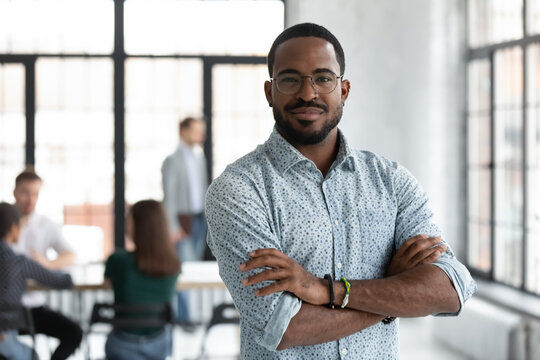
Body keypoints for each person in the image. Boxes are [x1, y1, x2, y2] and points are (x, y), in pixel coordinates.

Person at [205, 23, 477, 359]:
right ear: (269, 92)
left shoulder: (390, 181)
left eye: (323, 78)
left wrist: (325, 290)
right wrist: (391, 296)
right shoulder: (239, 189)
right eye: (290, 79)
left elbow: (451, 289)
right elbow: (282, 327)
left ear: (344, 90)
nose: (308, 93)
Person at [10, 170, 82, 359]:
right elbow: (64, 281)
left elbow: (71, 255)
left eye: (35, 194)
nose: (30, 199)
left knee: (73, 332)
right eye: (25, 192)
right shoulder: (5, 223)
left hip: (33, 307)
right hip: (7, 309)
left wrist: (46, 264)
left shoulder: (45, 225)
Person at [104, 200, 180, 360]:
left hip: (123, 344)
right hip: (159, 344)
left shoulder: (118, 260)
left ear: (138, 225)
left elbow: (107, 284)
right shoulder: (173, 264)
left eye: (128, 218)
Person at [0, 202, 74, 360]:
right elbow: (62, 281)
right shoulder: (18, 262)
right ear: (14, 228)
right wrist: (51, 264)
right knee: (35, 355)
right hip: (5, 336)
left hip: (11, 329)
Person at [161, 116, 208, 325]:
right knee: (185, 268)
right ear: (183, 131)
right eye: (196, 130)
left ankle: (185, 314)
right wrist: (172, 226)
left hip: (200, 219)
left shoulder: (200, 158)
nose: (200, 135)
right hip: (182, 220)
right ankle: (184, 317)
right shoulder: (172, 160)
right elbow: (168, 196)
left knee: (193, 266)